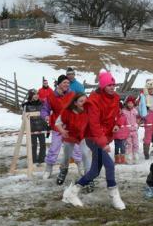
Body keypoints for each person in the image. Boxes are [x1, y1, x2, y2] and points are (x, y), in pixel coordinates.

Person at [62, 69, 125, 210]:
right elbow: (94, 125)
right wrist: (103, 143)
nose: (112, 87)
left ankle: (72, 192)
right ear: (102, 86)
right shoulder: (94, 101)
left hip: (105, 136)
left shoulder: (115, 98)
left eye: (113, 85)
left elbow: (119, 114)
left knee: (95, 171)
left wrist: (117, 124)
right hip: (93, 137)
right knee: (109, 165)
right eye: (109, 85)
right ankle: (114, 195)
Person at [40, 74, 82, 179]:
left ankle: (81, 168)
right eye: (64, 82)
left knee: (76, 148)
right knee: (54, 148)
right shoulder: (51, 96)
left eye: (68, 83)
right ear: (59, 84)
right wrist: (46, 116)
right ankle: (48, 169)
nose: (67, 84)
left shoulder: (72, 95)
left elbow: (79, 106)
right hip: (57, 127)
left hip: (71, 127)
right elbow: (44, 109)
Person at [55, 93, 91, 185]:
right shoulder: (67, 111)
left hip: (82, 136)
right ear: (75, 103)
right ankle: (63, 170)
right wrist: (62, 131)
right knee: (67, 156)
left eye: (85, 101)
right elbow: (57, 123)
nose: (84, 103)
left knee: (86, 154)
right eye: (81, 101)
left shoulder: (89, 111)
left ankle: (89, 177)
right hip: (69, 135)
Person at [22, 89, 47, 165]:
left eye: (37, 94)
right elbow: (23, 117)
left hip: (41, 127)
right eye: (34, 94)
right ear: (31, 95)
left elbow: (45, 114)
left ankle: (41, 160)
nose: (36, 96)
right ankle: (34, 161)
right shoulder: (26, 105)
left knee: (43, 144)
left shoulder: (42, 104)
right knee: (33, 145)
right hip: (32, 128)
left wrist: (46, 125)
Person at [121, 95, 140, 163]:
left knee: (135, 143)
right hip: (127, 130)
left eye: (131, 103)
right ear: (126, 103)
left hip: (134, 130)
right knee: (129, 144)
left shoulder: (135, 110)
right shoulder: (123, 111)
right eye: (128, 103)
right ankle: (129, 157)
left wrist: (137, 123)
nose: (130, 104)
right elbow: (122, 119)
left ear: (133, 104)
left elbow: (138, 118)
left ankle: (136, 155)